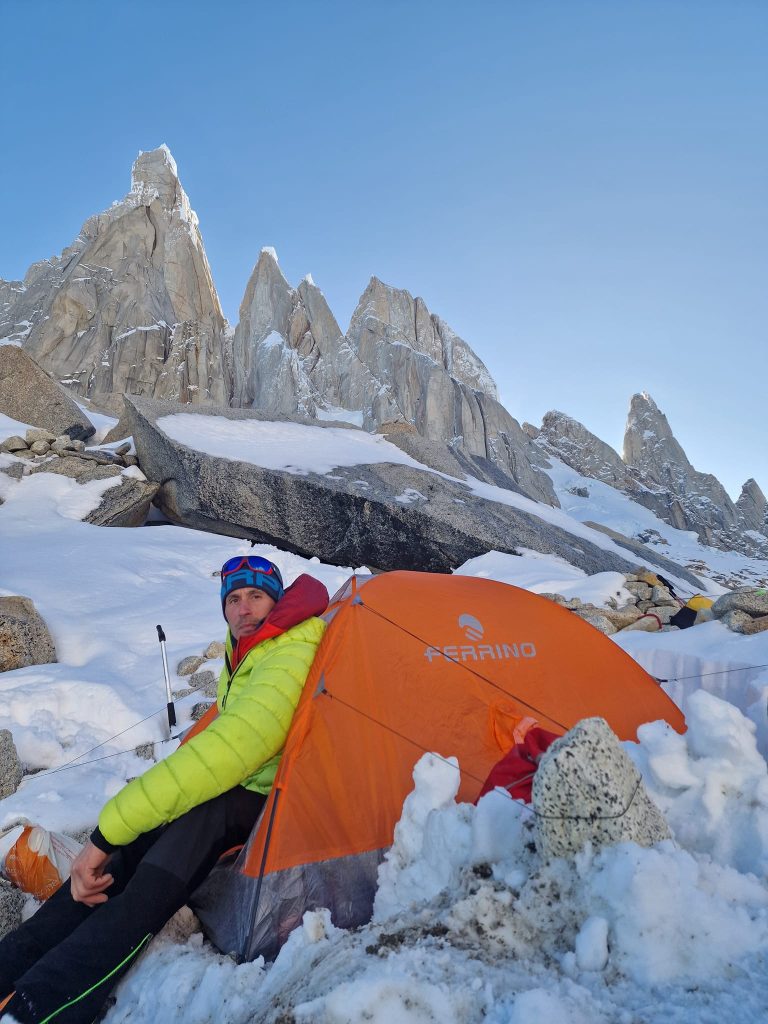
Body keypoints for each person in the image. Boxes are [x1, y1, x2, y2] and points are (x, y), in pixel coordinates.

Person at [0, 555, 328, 1024]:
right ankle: (8, 967)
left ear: (276, 601)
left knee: (144, 886)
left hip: (264, 799)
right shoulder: (253, 650)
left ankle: (39, 1007)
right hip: (235, 791)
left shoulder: (290, 647)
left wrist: (104, 833)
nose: (242, 609)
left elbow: (239, 746)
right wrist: (116, 837)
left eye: (256, 595)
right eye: (233, 599)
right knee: (121, 857)